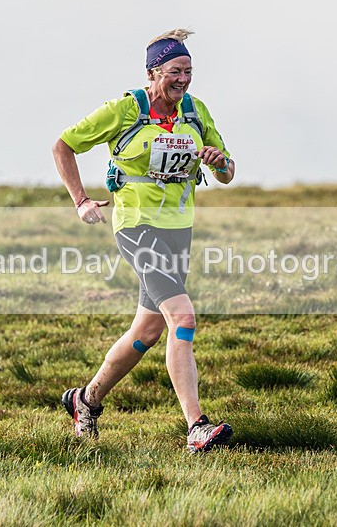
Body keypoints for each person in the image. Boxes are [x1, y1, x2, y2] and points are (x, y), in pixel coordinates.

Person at [52, 29, 235, 453]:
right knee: (183, 318)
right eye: (175, 71)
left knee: (149, 329)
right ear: (153, 73)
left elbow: (228, 172)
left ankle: (87, 399)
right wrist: (80, 200)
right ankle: (197, 427)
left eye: (189, 71)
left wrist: (219, 161)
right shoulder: (124, 109)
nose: (184, 79)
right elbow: (64, 145)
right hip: (136, 226)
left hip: (178, 228)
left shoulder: (195, 111)